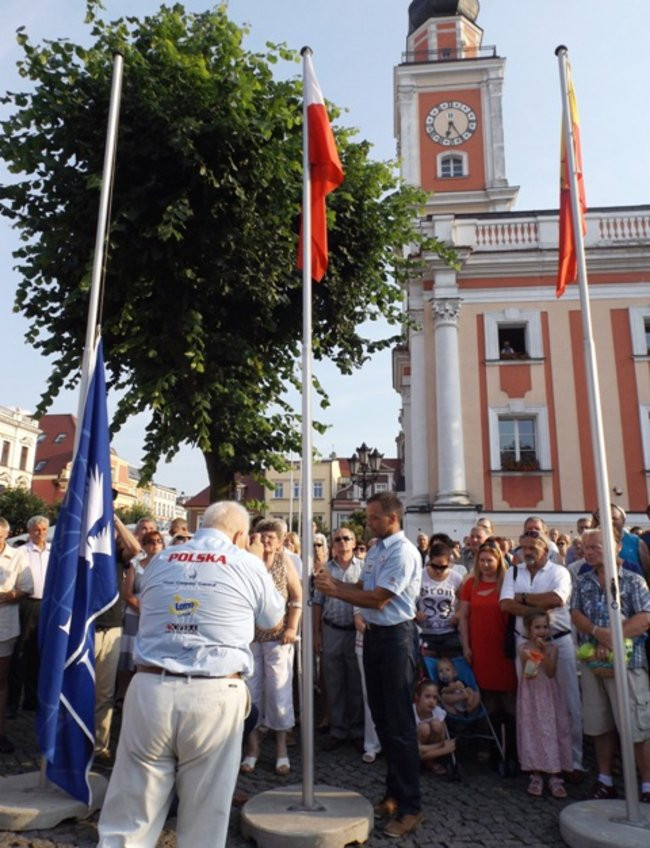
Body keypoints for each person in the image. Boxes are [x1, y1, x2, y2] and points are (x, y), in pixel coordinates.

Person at [97, 501, 286, 848]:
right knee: (204, 816)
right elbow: (272, 622)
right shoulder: (247, 563)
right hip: (213, 693)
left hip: (150, 685)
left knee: (130, 813)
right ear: (241, 534)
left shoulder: (162, 559)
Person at [314, 492, 423, 839]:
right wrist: (334, 585)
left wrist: (334, 591)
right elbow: (363, 586)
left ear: (393, 518)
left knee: (400, 723)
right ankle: (393, 793)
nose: (368, 523)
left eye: (374, 517)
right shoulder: (376, 549)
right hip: (376, 637)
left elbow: (379, 598)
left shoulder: (403, 552)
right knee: (381, 718)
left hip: (396, 638)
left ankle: (411, 806)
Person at [570, 528, 650, 802]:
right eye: (585, 548)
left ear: (615, 548)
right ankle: (605, 779)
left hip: (628, 664)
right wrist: (596, 632)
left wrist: (614, 637)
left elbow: (645, 618)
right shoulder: (583, 582)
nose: (588, 552)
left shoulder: (633, 581)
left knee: (636, 725)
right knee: (599, 723)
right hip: (593, 664)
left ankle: (647, 784)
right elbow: (576, 613)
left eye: (594, 547)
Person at [499, 529, 584, 782]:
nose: (527, 552)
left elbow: (557, 599)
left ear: (546, 551)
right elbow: (505, 604)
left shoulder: (559, 572)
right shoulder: (514, 572)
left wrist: (522, 599)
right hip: (524, 646)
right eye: (523, 548)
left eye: (532, 548)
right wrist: (537, 605)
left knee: (568, 703)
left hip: (558, 643)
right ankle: (535, 760)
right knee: (530, 702)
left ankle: (573, 761)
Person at [241, 518, 302, 776]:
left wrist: (291, 627)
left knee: (278, 692)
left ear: (279, 542)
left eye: (270, 538)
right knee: (251, 693)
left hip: (278, 637)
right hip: (250, 637)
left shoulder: (283, 562)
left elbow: (297, 596)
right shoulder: (248, 562)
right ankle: (252, 748)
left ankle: (281, 749)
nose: (265, 541)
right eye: (261, 536)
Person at [457, 540, 517, 760]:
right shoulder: (470, 584)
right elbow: (463, 617)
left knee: (509, 699)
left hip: (503, 647)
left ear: (498, 560)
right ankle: (489, 747)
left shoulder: (507, 583)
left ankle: (511, 748)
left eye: (489, 560)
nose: (485, 564)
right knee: (487, 697)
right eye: (481, 560)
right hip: (480, 647)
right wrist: (466, 645)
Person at [93, 513, 140, 763]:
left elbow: (136, 549)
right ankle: (73, 742)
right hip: (85, 629)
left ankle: (100, 746)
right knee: (79, 687)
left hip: (111, 628)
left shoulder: (116, 554)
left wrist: (117, 521)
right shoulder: (83, 553)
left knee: (105, 693)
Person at [312, 529, 364, 751]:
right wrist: (316, 633)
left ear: (354, 543)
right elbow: (317, 604)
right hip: (332, 630)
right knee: (333, 683)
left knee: (356, 683)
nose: (342, 542)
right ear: (332, 544)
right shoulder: (325, 570)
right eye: (338, 539)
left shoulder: (363, 568)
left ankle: (358, 731)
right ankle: (338, 730)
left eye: (347, 538)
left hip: (355, 632)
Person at [516, 610, 572, 798]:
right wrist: (533, 654)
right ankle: (536, 772)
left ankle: (555, 773)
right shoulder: (523, 648)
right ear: (529, 629)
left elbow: (550, 671)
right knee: (534, 729)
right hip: (532, 694)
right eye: (537, 627)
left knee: (551, 729)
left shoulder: (553, 648)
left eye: (545, 627)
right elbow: (529, 671)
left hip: (548, 693)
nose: (542, 631)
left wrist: (544, 652)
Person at [8, 515, 50, 713]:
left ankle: (31, 699)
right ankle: (13, 701)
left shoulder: (52, 552)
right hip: (26, 604)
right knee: (21, 652)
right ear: (30, 531)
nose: (40, 533)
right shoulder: (21, 552)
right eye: (36, 530)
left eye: (43, 530)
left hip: (46, 605)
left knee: (38, 652)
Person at [0, 517, 32, 753]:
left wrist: (8, 596)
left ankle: (0, 732)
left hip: (5, 626)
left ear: (6, 535)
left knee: (1, 682)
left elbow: (26, 586)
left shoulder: (17, 556)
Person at [416, 542, 463, 657]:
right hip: (426, 633)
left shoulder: (456, 578)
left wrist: (458, 614)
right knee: (427, 671)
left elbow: (463, 601)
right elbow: (410, 599)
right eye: (434, 566)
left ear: (449, 563)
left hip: (449, 632)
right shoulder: (419, 576)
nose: (438, 570)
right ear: (429, 561)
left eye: (443, 567)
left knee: (450, 671)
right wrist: (415, 613)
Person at [413, 678, 455, 774]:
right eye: (427, 697)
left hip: (427, 749)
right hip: (414, 751)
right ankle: (427, 760)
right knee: (424, 728)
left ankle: (430, 760)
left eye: (435, 698)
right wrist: (443, 748)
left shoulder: (438, 712)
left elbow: (442, 737)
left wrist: (442, 744)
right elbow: (415, 748)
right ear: (417, 697)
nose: (431, 701)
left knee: (437, 724)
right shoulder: (411, 713)